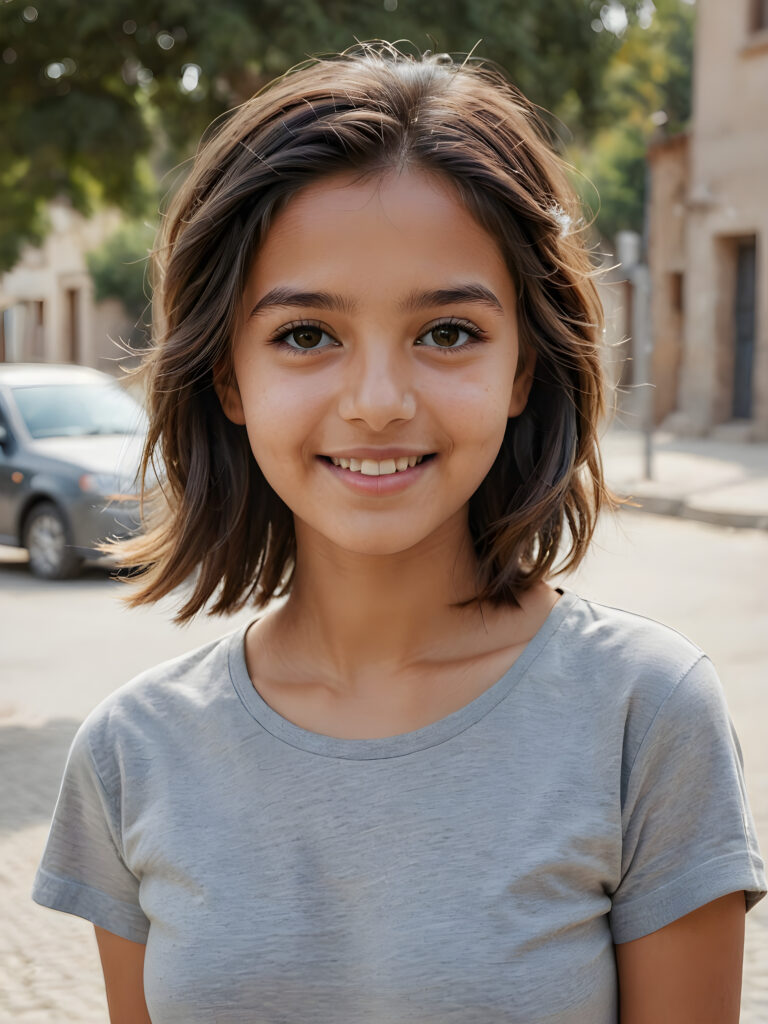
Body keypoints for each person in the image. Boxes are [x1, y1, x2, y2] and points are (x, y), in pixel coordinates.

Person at [32, 43, 765, 1024]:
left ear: (521, 370)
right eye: (306, 335)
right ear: (229, 379)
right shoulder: (132, 752)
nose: (378, 402)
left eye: (448, 332)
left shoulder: (646, 717)